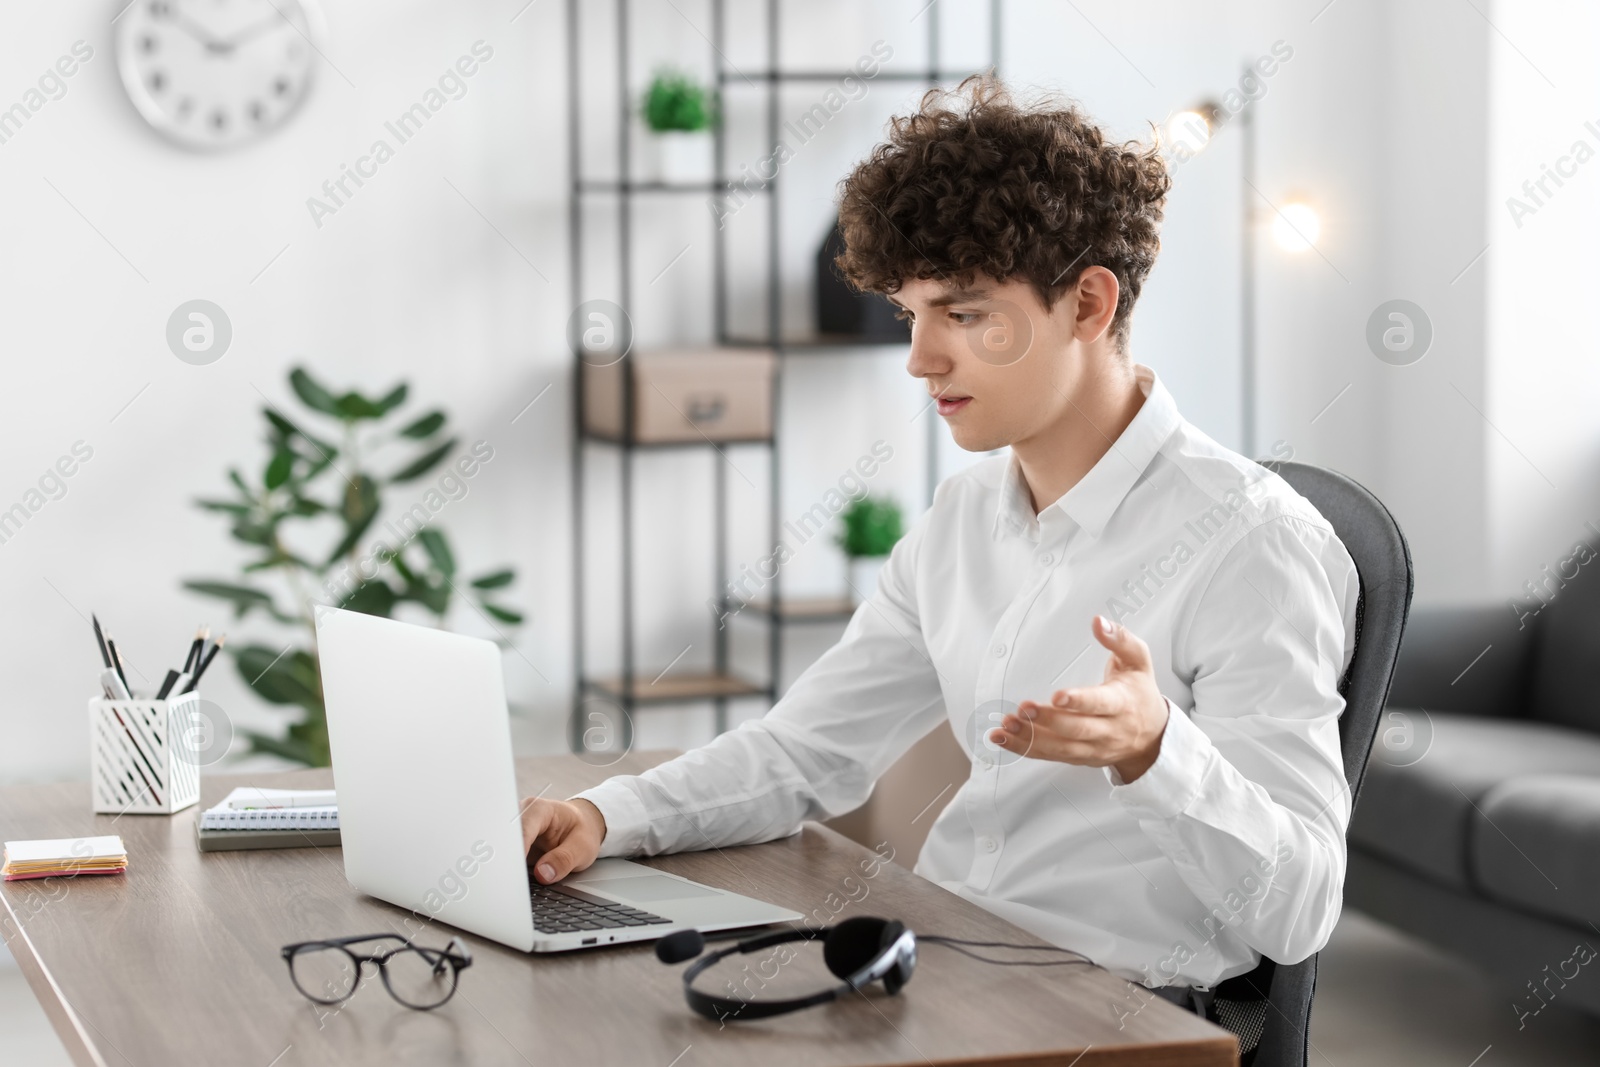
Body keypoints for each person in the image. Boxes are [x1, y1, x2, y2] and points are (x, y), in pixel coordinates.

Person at [523, 76, 1358, 1006]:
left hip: (1119, 1016)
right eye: (910, 314)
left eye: (962, 315)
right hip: (951, 971)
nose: (920, 358)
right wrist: (605, 812)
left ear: (1087, 304)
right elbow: (806, 751)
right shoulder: (963, 520)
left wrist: (1157, 748)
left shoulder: (1254, 542)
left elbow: (1301, 908)